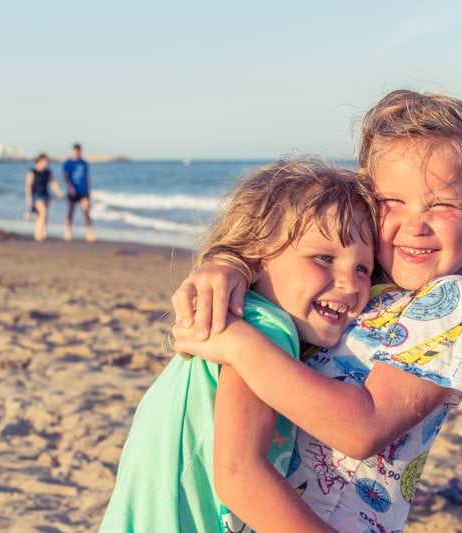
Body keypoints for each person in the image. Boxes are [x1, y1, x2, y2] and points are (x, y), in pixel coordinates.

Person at [171, 90, 462, 530]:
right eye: (392, 202)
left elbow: (362, 429)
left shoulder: (452, 301)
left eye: (442, 203)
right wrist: (230, 264)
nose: (415, 224)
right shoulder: (362, 287)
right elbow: (288, 252)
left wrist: (237, 343)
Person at [101, 158, 378, 532]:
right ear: (257, 257)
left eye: (363, 268)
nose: (349, 282)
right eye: (324, 258)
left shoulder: (249, 318)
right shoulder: (264, 328)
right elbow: (240, 476)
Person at [24, 153, 64, 241]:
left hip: (46, 195)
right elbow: (28, 185)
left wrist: (58, 192)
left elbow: (53, 182)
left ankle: (41, 231)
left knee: (43, 215)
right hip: (36, 195)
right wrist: (28, 197)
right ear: (40, 161)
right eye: (45, 161)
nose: (47, 163)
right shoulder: (32, 171)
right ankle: (39, 233)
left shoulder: (48, 172)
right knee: (43, 212)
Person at [62, 143, 96, 242]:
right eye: (75, 151)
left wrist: (89, 190)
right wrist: (70, 187)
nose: (76, 153)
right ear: (72, 151)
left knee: (87, 211)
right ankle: (67, 232)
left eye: (78, 151)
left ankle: (90, 233)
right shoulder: (68, 163)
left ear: (80, 151)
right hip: (73, 191)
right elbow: (65, 177)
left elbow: (87, 177)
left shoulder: (84, 163)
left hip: (84, 191)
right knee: (70, 212)